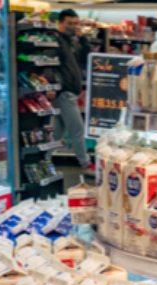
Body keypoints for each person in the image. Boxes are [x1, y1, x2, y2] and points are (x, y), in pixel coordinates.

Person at [46, 9, 93, 173]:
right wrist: (51, 86)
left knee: (57, 132)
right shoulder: (55, 40)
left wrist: (83, 39)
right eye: (69, 23)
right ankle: (85, 164)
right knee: (77, 129)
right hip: (63, 91)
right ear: (60, 23)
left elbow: (86, 59)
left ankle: (44, 161)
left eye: (75, 23)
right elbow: (48, 65)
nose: (73, 26)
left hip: (69, 91)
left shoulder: (72, 41)